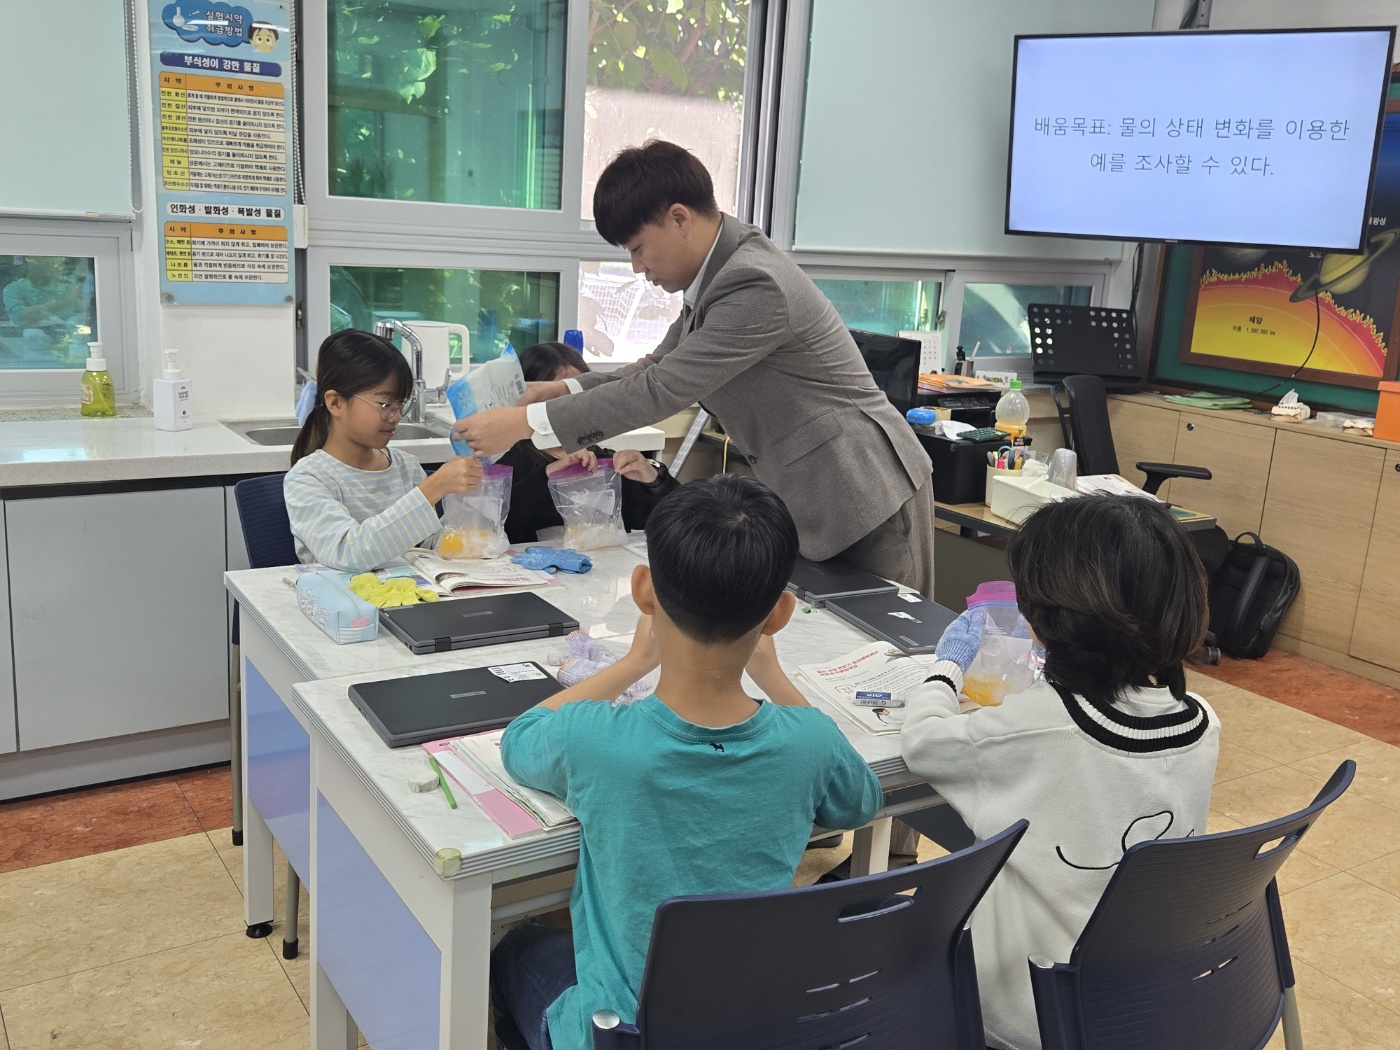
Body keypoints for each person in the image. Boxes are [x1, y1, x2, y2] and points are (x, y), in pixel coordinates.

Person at [491, 474, 884, 1050]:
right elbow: (861, 800)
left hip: (623, 1036)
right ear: (780, 614)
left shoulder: (592, 738)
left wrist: (633, 663)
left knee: (516, 946)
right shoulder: (810, 741)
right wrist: (772, 675)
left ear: (643, 591)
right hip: (751, 1029)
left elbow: (520, 738)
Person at [454, 140, 935, 598]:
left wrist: (525, 423)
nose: (637, 267)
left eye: (638, 247)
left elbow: (663, 388)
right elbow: (656, 365)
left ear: (679, 218)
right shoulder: (719, 274)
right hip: (816, 495)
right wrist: (562, 392)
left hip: (862, 492)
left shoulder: (754, 282)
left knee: (883, 640)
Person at [900, 494, 1221, 1050]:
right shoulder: (1204, 722)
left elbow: (923, 743)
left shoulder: (1035, 728)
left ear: (1043, 619)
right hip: (1140, 1005)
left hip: (1027, 1013)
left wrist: (945, 670)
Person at [284, 329, 483, 572]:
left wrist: (466, 509)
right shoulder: (308, 478)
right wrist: (434, 487)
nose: (396, 416)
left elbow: (427, 547)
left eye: (400, 405)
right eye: (386, 404)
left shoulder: (406, 466)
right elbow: (348, 553)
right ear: (335, 403)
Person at [498, 341, 678, 543]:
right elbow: (499, 526)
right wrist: (549, 475)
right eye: (558, 398)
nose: (572, 409)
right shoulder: (511, 465)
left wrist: (653, 480)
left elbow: (668, 518)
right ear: (528, 401)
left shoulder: (605, 463)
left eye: (581, 398)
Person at [3, 257, 87, 358]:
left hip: (70, 350)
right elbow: (22, 316)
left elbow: (82, 318)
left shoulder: (66, 289)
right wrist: (65, 302)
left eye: (56, 265)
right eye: (46, 264)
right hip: (30, 353)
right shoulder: (14, 289)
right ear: (31, 266)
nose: (54, 268)